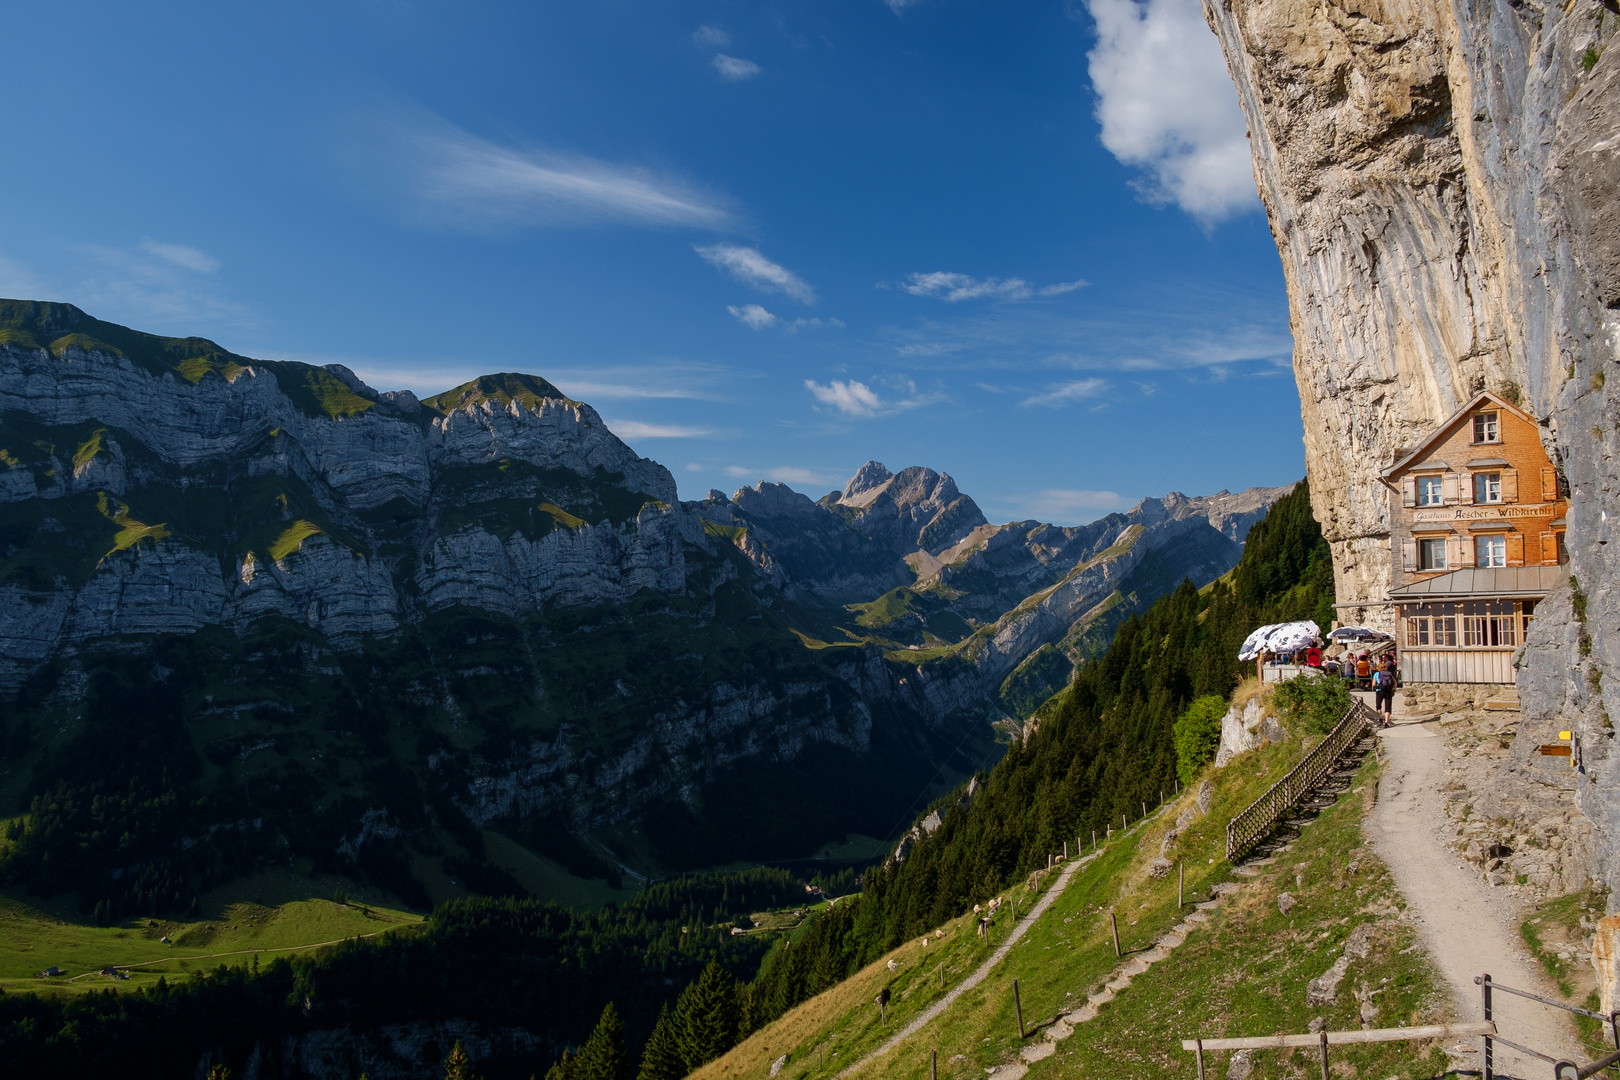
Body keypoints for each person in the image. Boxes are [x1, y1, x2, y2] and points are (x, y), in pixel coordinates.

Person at [1372, 656, 1397, 726]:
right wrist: (1394, 690)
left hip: (1379, 690)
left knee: (1378, 706)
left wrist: (1377, 686)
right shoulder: (1389, 674)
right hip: (1388, 691)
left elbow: (1373, 684)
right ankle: (1386, 722)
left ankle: (1380, 719)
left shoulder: (1376, 674)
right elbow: (1395, 682)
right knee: (1388, 707)